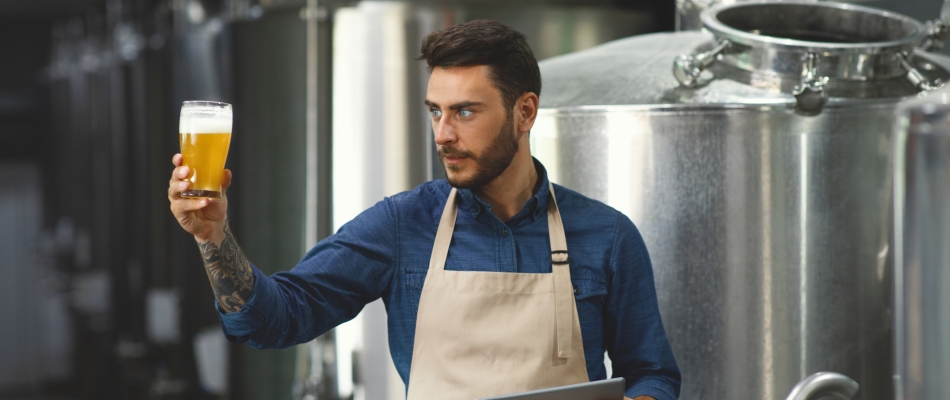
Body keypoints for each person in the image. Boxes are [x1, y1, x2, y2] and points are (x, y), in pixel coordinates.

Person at [168, 19, 680, 400]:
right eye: (435, 111)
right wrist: (213, 236)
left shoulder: (606, 236)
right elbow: (271, 322)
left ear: (525, 111)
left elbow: (652, 372)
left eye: (464, 112)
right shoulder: (401, 225)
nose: (442, 134)